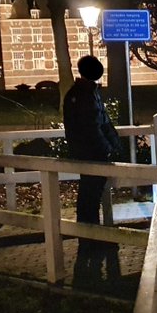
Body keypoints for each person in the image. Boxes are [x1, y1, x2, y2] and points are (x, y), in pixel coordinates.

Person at [63, 55, 122, 284]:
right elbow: (92, 127)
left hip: (89, 152)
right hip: (92, 153)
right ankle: (89, 240)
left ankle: (90, 238)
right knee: (89, 196)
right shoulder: (85, 95)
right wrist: (108, 147)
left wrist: (112, 141)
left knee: (91, 196)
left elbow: (100, 122)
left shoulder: (84, 93)